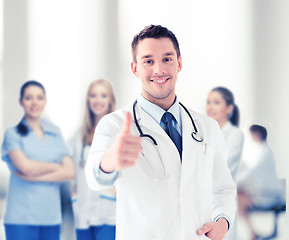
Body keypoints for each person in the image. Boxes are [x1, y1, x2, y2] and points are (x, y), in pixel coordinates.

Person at [85, 25, 236, 240]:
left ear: (179, 63)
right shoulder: (114, 124)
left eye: (167, 59)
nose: (159, 70)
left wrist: (223, 221)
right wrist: (109, 161)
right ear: (135, 68)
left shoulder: (207, 127)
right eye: (148, 61)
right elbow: (93, 178)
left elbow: (223, 188)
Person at [1, 80, 75, 240]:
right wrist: (56, 167)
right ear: (21, 102)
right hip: (21, 218)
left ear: (45, 101)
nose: (34, 103)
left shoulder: (55, 134)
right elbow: (25, 167)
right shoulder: (12, 134)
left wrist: (36, 176)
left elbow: (70, 171)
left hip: (51, 218)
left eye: (39, 98)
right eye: (29, 98)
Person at [69, 79, 116, 240]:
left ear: (110, 100)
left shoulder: (117, 131)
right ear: (88, 100)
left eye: (103, 95)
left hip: (109, 212)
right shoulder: (78, 135)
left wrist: (117, 191)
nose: (97, 100)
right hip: (83, 209)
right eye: (93, 95)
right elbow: (69, 165)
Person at [206, 87, 244, 239]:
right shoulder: (204, 132)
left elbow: (222, 166)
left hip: (223, 199)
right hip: (204, 199)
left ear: (229, 108)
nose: (210, 107)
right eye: (208, 102)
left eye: (216, 102)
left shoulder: (235, 135)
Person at [237, 125, 285, 240]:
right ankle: (253, 232)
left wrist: (235, 182)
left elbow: (252, 172)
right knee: (238, 198)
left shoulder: (264, 152)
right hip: (263, 192)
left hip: (268, 195)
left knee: (238, 200)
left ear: (257, 134)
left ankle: (252, 232)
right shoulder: (260, 150)